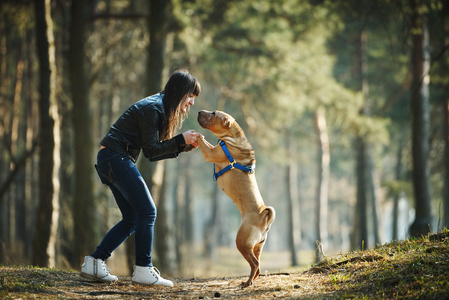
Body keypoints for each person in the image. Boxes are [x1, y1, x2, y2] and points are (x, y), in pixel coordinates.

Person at [80, 69, 203, 287]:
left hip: (111, 158)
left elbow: (154, 151)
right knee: (148, 211)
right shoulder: (153, 108)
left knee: (133, 219)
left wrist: (182, 145)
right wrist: (180, 140)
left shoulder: (159, 106)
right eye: (190, 96)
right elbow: (152, 151)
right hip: (115, 158)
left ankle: (95, 262)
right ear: (181, 92)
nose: (192, 102)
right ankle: (143, 268)